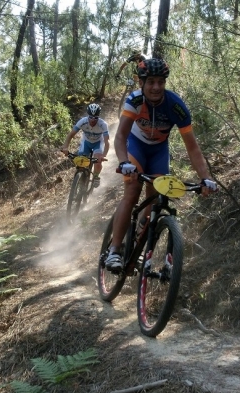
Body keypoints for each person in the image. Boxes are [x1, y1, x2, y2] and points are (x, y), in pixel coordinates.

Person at [105, 58, 218, 271]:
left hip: (158, 150)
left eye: (161, 82)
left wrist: (206, 178)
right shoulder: (135, 100)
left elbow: (192, 148)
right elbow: (120, 137)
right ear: (141, 83)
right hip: (135, 146)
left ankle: (138, 240)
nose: (156, 87)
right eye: (151, 82)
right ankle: (115, 250)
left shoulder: (176, 106)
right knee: (131, 192)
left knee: (154, 197)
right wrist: (124, 162)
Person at [61, 103, 110, 188]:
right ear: (88, 116)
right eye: (90, 117)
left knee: (98, 161)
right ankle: (81, 181)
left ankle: (96, 176)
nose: (92, 120)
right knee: (81, 162)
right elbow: (71, 135)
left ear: (98, 117)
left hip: (98, 143)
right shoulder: (83, 122)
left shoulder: (103, 125)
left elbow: (107, 142)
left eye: (95, 118)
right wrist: (65, 147)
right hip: (86, 142)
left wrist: (103, 155)